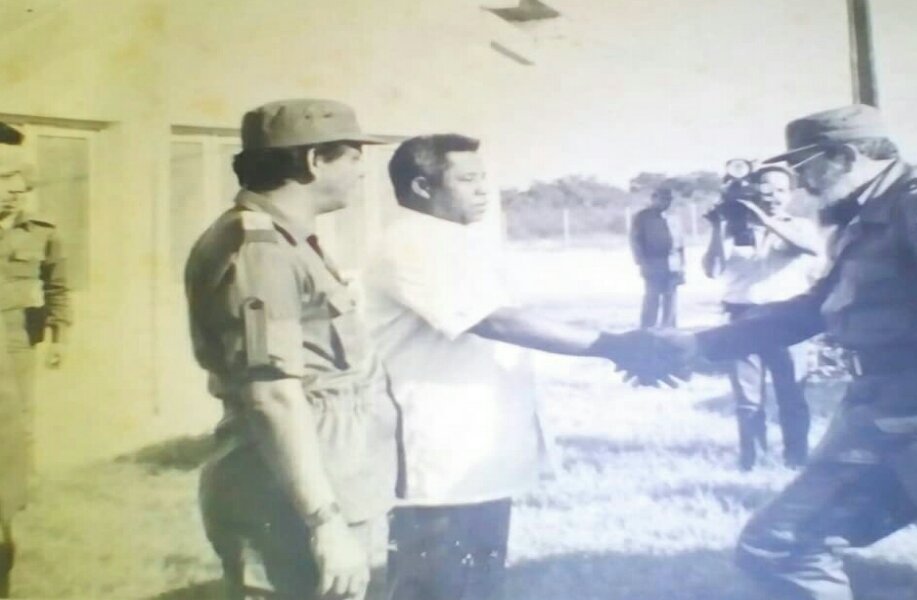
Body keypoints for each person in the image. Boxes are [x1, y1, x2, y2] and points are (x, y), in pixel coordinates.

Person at [662, 104, 917, 600]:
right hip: (886, 410)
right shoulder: (869, 214)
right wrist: (700, 344)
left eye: (805, 166)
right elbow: (817, 308)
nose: (801, 182)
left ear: (845, 156)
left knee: (787, 546)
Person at [364, 133, 663, 600]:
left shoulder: (454, 241)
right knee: (433, 586)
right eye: (467, 179)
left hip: (477, 445)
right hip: (436, 453)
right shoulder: (408, 242)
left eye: (484, 178)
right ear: (423, 187)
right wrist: (613, 345)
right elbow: (497, 322)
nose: (483, 189)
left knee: (480, 584)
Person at [184, 99, 403, 600]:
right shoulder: (259, 250)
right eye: (350, 157)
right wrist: (324, 521)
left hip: (323, 482)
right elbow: (273, 397)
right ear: (312, 162)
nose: (360, 172)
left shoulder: (286, 241)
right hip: (292, 498)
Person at [702, 164, 822, 470]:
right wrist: (718, 226)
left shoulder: (800, 225)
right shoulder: (735, 229)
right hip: (742, 316)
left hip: (787, 317)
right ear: (754, 191)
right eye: (766, 189)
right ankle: (752, 462)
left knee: (791, 394)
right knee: (747, 399)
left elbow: (806, 247)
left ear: (791, 195)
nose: (773, 196)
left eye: (781, 190)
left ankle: (796, 460)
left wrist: (765, 221)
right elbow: (712, 270)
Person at [0, 134, 71, 598]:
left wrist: (59, 336)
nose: (11, 190)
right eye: (3, 179)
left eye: (18, 182)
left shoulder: (42, 231)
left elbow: (58, 288)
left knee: (13, 435)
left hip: (15, 344)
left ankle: (6, 517)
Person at [630, 186, 685, 327]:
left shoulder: (674, 217)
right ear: (654, 199)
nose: (667, 202)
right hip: (653, 262)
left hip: (673, 263)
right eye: (663, 198)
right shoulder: (642, 217)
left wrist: (682, 266)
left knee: (671, 299)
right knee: (652, 298)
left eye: (669, 199)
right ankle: (647, 330)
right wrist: (641, 262)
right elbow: (635, 240)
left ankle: (669, 330)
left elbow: (680, 243)